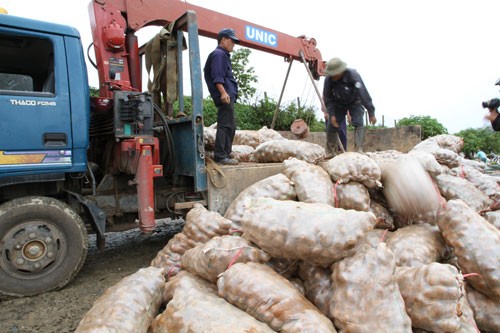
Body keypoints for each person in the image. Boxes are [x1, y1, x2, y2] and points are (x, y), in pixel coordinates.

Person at [323, 57, 376, 153]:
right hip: (338, 103)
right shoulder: (328, 80)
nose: (333, 76)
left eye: (335, 74)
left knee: (358, 122)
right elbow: (328, 98)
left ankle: (358, 149)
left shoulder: (352, 75)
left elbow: (363, 92)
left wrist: (371, 112)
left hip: (355, 101)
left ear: (340, 71)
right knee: (331, 125)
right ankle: (331, 152)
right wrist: (332, 114)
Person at [204, 28, 240, 165]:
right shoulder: (218, 54)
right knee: (225, 125)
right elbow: (217, 76)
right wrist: (223, 92)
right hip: (224, 95)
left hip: (228, 95)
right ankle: (220, 156)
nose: (233, 44)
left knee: (231, 125)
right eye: (232, 41)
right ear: (223, 40)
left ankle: (226, 152)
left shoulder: (223, 55)